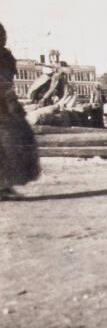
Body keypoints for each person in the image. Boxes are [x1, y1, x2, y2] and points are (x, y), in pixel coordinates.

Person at [0, 22, 40, 199]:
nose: (4, 38)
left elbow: (7, 82)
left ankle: (4, 186)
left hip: (6, 106)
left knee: (16, 142)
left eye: (3, 35)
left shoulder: (6, 56)